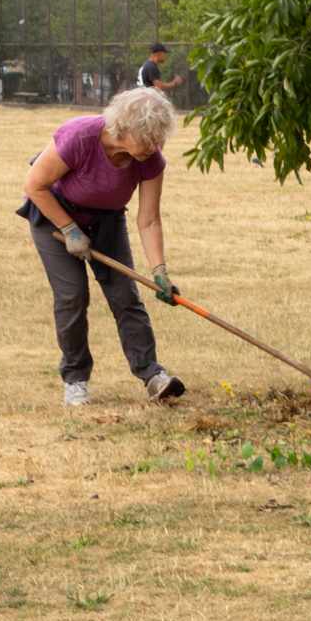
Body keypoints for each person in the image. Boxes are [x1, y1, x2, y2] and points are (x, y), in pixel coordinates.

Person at [19, 86, 186, 408]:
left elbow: (149, 219)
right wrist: (69, 229)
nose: (156, 146)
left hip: (107, 222)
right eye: (149, 137)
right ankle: (75, 379)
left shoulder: (150, 160)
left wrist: (160, 271)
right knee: (72, 296)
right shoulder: (79, 137)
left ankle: (152, 375)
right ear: (125, 129)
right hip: (54, 217)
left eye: (159, 138)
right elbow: (34, 185)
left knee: (125, 297)